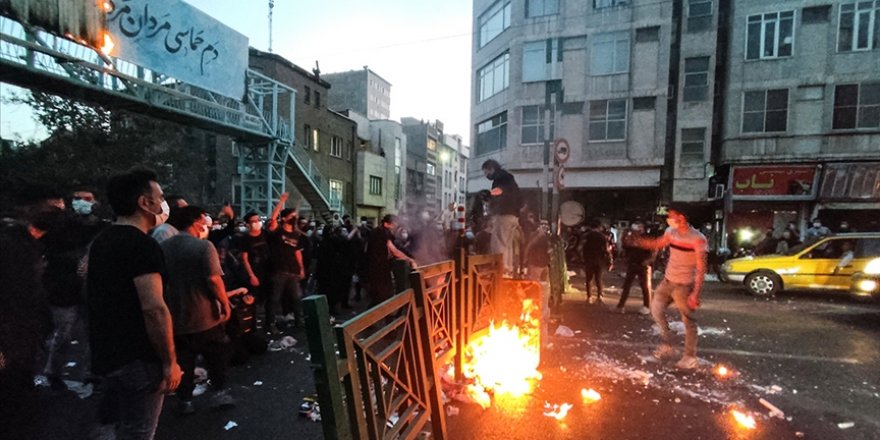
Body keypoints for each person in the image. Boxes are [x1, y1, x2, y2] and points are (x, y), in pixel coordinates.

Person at [86, 167, 181, 439]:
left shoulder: (103, 240)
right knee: (139, 431)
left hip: (108, 354)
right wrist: (169, 361)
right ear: (144, 202)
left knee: (122, 425)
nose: (164, 204)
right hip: (138, 360)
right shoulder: (142, 246)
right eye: (160, 197)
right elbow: (153, 307)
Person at [160, 206, 234, 414]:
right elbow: (213, 279)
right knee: (216, 356)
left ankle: (185, 401)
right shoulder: (204, 247)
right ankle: (219, 394)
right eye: (203, 219)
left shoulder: (163, 247)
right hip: (204, 316)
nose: (206, 223)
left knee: (184, 360)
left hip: (176, 316)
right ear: (195, 222)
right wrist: (225, 304)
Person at [633, 206, 707, 370]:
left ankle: (689, 356)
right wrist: (639, 241)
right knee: (656, 310)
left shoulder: (698, 239)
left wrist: (695, 293)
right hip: (667, 282)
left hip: (684, 286)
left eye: (671, 215)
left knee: (688, 322)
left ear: (682, 217)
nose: (669, 218)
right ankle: (668, 345)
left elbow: (702, 267)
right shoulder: (670, 232)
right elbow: (658, 244)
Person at [266, 194, 306, 330]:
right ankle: (270, 324)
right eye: (292, 216)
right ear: (284, 218)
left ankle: (299, 321)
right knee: (274, 299)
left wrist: (301, 269)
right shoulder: (278, 231)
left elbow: (297, 252)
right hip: (279, 270)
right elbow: (272, 220)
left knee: (297, 298)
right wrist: (281, 201)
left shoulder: (296, 234)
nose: (294, 218)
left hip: (293, 270)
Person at [481, 159, 523, 274]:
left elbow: (500, 190)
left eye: (486, 172)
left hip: (504, 214)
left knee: (498, 241)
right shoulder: (509, 177)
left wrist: (489, 194)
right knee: (507, 243)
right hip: (514, 216)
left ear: (491, 169)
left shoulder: (500, 178)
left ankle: (501, 268)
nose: (486, 175)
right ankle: (507, 268)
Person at [365, 215, 416, 307]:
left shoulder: (378, 231)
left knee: (377, 296)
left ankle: (378, 315)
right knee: (384, 295)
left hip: (375, 267)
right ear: (386, 224)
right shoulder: (382, 233)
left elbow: (396, 247)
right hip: (379, 268)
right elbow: (394, 250)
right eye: (394, 225)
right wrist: (410, 260)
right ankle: (384, 317)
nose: (395, 227)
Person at [617, 222, 654, 315]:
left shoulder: (647, 238)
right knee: (627, 285)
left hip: (642, 265)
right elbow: (626, 247)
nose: (635, 233)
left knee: (644, 287)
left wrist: (648, 260)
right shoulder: (632, 238)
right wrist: (624, 237)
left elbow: (653, 251)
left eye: (637, 231)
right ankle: (621, 305)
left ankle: (647, 306)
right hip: (633, 264)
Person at [581, 220, 611, 305]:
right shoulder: (602, 237)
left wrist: (583, 259)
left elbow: (582, 248)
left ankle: (589, 297)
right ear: (599, 227)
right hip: (599, 260)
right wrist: (609, 261)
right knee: (598, 279)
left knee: (589, 279)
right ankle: (599, 296)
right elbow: (606, 250)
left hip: (589, 260)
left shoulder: (586, 236)